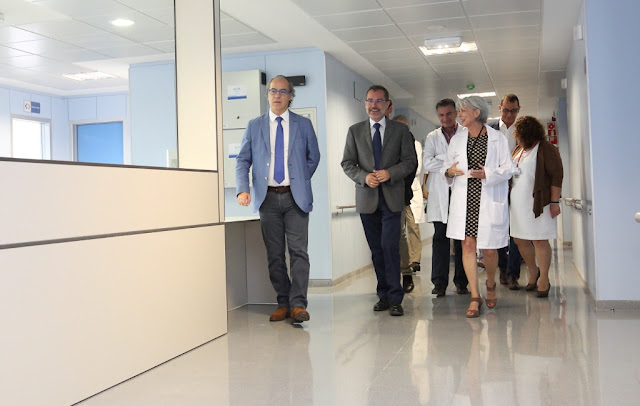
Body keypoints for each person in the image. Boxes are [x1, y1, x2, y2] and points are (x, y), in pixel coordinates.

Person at [235, 75, 321, 323]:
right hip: (268, 199)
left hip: (295, 199)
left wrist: (299, 179)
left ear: (290, 96)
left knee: (298, 252)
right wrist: (243, 189)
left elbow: (313, 157)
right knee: (274, 255)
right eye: (273, 90)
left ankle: (298, 304)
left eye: (283, 91)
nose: (277, 95)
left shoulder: (303, 125)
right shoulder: (255, 125)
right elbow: (242, 160)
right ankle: (283, 302)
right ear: (267, 95)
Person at [341, 85, 417, 316]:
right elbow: (347, 163)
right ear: (365, 103)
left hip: (392, 199)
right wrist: (364, 177)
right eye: (369, 101)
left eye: (378, 101)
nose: (373, 105)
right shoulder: (355, 131)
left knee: (389, 247)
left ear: (387, 104)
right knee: (376, 250)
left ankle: (395, 298)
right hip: (367, 199)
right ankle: (383, 295)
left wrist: (390, 173)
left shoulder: (400, 131)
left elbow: (410, 162)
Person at [443, 96, 512, 318]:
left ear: (476, 113)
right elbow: (447, 166)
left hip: (487, 197)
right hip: (465, 199)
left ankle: (490, 283)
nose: (459, 114)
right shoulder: (457, 139)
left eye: (463, 110)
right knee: (467, 245)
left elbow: (509, 169)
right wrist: (449, 171)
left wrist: (488, 173)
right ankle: (475, 295)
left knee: (490, 250)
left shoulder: (497, 138)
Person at [509, 116, 563, 298]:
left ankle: (544, 279)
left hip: (539, 203)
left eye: (518, 133)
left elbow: (556, 176)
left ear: (526, 133)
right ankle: (533, 271)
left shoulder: (546, 148)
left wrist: (554, 202)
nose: (516, 136)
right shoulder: (519, 149)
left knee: (539, 240)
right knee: (519, 239)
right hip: (518, 205)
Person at [423, 98, 467, 297]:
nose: (445, 118)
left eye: (449, 113)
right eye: (441, 115)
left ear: (456, 113)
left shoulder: (465, 132)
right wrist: (448, 167)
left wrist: (441, 160)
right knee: (440, 236)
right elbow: (427, 163)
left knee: (461, 238)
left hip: (461, 189)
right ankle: (439, 282)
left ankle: (462, 281)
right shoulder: (432, 137)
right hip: (440, 191)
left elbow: (466, 161)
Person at [488, 94, 524, 289]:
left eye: (514, 111)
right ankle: (503, 268)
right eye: (506, 110)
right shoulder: (489, 129)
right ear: (500, 109)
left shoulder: (524, 131)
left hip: (518, 186)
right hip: (496, 185)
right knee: (499, 228)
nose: (510, 114)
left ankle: (513, 274)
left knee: (515, 230)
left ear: (519, 110)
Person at [393, 114, 424, 293]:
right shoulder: (390, 143)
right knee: (399, 232)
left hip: (410, 190)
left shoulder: (414, 144)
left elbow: (415, 168)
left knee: (413, 225)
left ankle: (414, 260)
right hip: (395, 192)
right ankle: (404, 265)